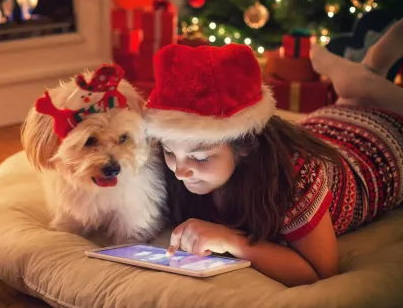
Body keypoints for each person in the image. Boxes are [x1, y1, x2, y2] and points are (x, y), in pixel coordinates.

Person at [144, 21, 403, 287]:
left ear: (244, 145)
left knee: (373, 97)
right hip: (327, 123)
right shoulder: (182, 165)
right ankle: (365, 72)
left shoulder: (293, 176)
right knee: (352, 98)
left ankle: (355, 70)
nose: (180, 170)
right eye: (170, 152)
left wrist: (232, 239)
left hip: (379, 140)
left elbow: (321, 272)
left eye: (200, 157)